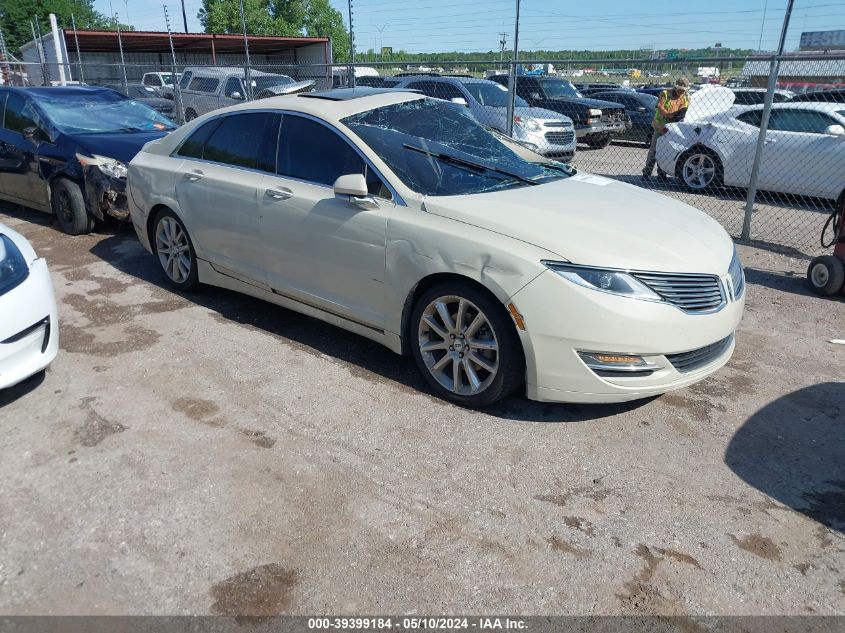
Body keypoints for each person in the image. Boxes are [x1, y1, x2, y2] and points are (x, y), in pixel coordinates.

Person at [642, 77, 691, 181]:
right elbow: (660, 107)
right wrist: (669, 115)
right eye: (680, 90)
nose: (681, 92)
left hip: (674, 128)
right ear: (676, 87)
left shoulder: (685, 97)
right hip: (660, 126)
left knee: (666, 152)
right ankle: (646, 173)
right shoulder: (665, 94)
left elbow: (685, 110)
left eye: (684, 90)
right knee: (654, 151)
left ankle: (662, 174)